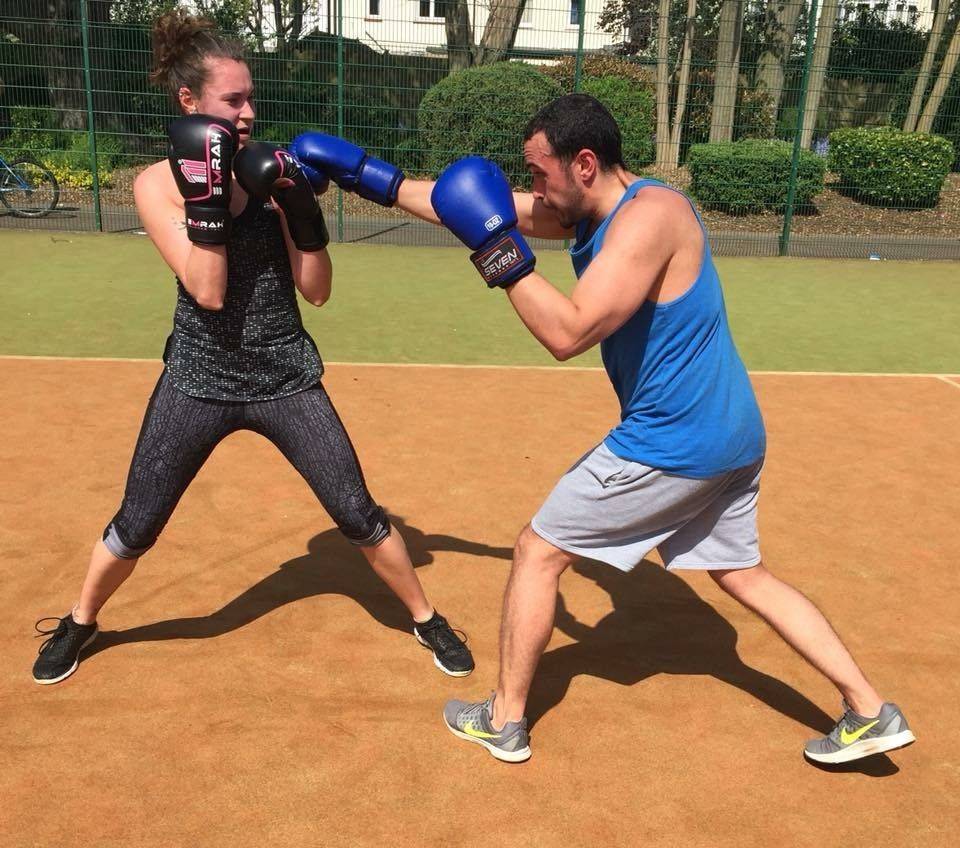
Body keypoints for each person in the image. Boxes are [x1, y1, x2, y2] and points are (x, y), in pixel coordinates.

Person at [288, 94, 914, 766]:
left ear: (583, 163)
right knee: (741, 573)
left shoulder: (650, 219)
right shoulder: (597, 210)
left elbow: (569, 331)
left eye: (537, 172)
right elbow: (475, 208)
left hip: (674, 442)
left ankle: (504, 719)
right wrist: (364, 176)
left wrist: (497, 250)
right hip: (730, 434)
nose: (531, 189)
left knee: (538, 550)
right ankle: (870, 710)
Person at [31, 9, 473, 686]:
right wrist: (211, 198)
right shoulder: (155, 184)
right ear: (189, 101)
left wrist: (301, 212)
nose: (247, 112)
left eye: (250, 98)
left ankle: (424, 616)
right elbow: (207, 291)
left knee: (356, 510)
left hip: (285, 376)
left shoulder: (273, 171)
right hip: (198, 379)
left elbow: (317, 291)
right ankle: (80, 620)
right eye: (232, 100)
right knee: (138, 520)